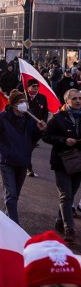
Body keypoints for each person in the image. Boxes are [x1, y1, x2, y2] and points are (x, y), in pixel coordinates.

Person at [0, 89, 46, 225]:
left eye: (24, 101)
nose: (24, 104)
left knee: (14, 195)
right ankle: (14, 226)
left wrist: (40, 130)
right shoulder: (2, 117)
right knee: (11, 195)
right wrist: (6, 152)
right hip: (7, 162)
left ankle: (3, 219)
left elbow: (33, 138)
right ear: (13, 104)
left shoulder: (29, 117)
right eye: (20, 102)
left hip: (23, 161)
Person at [43, 89, 81, 243]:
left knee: (71, 193)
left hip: (78, 163)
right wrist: (64, 140)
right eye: (74, 99)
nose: (78, 101)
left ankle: (60, 220)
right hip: (62, 162)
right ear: (67, 101)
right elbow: (46, 136)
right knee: (66, 195)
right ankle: (69, 229)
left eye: (80, 98)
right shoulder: (58, 118)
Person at [26, 78, 50, 178]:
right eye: (33, 86)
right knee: (26, 148)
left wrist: (44, 120)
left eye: (37, 86)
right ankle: (29, 168)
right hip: (24, 127)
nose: (36, 88)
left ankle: (25, 164)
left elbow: (45, 111)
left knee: (29, 148)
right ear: (28, 88)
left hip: (37, 129)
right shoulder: (24, 97)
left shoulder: (42, 98)